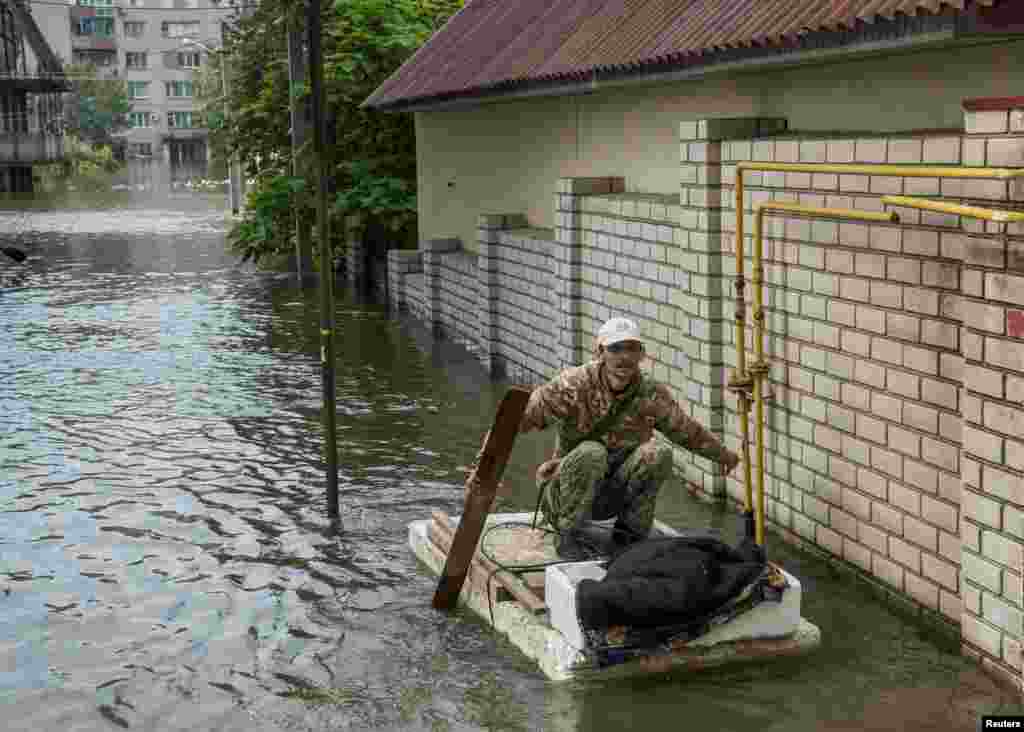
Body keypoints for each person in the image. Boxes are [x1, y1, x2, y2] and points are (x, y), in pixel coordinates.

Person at [497, 316, 740, 560]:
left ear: (641, 355)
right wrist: (486, 463)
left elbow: (686, 430)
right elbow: (518, 418)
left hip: (611, 494)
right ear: (600, 352)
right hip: (565, 495)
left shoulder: (650, 393)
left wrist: (724, 456)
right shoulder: (573, 384)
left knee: (658, 453)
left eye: (632, 349)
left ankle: (628, 535)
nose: (624, 358)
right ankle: (567, 535)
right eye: (615, 349)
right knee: (592, 451)